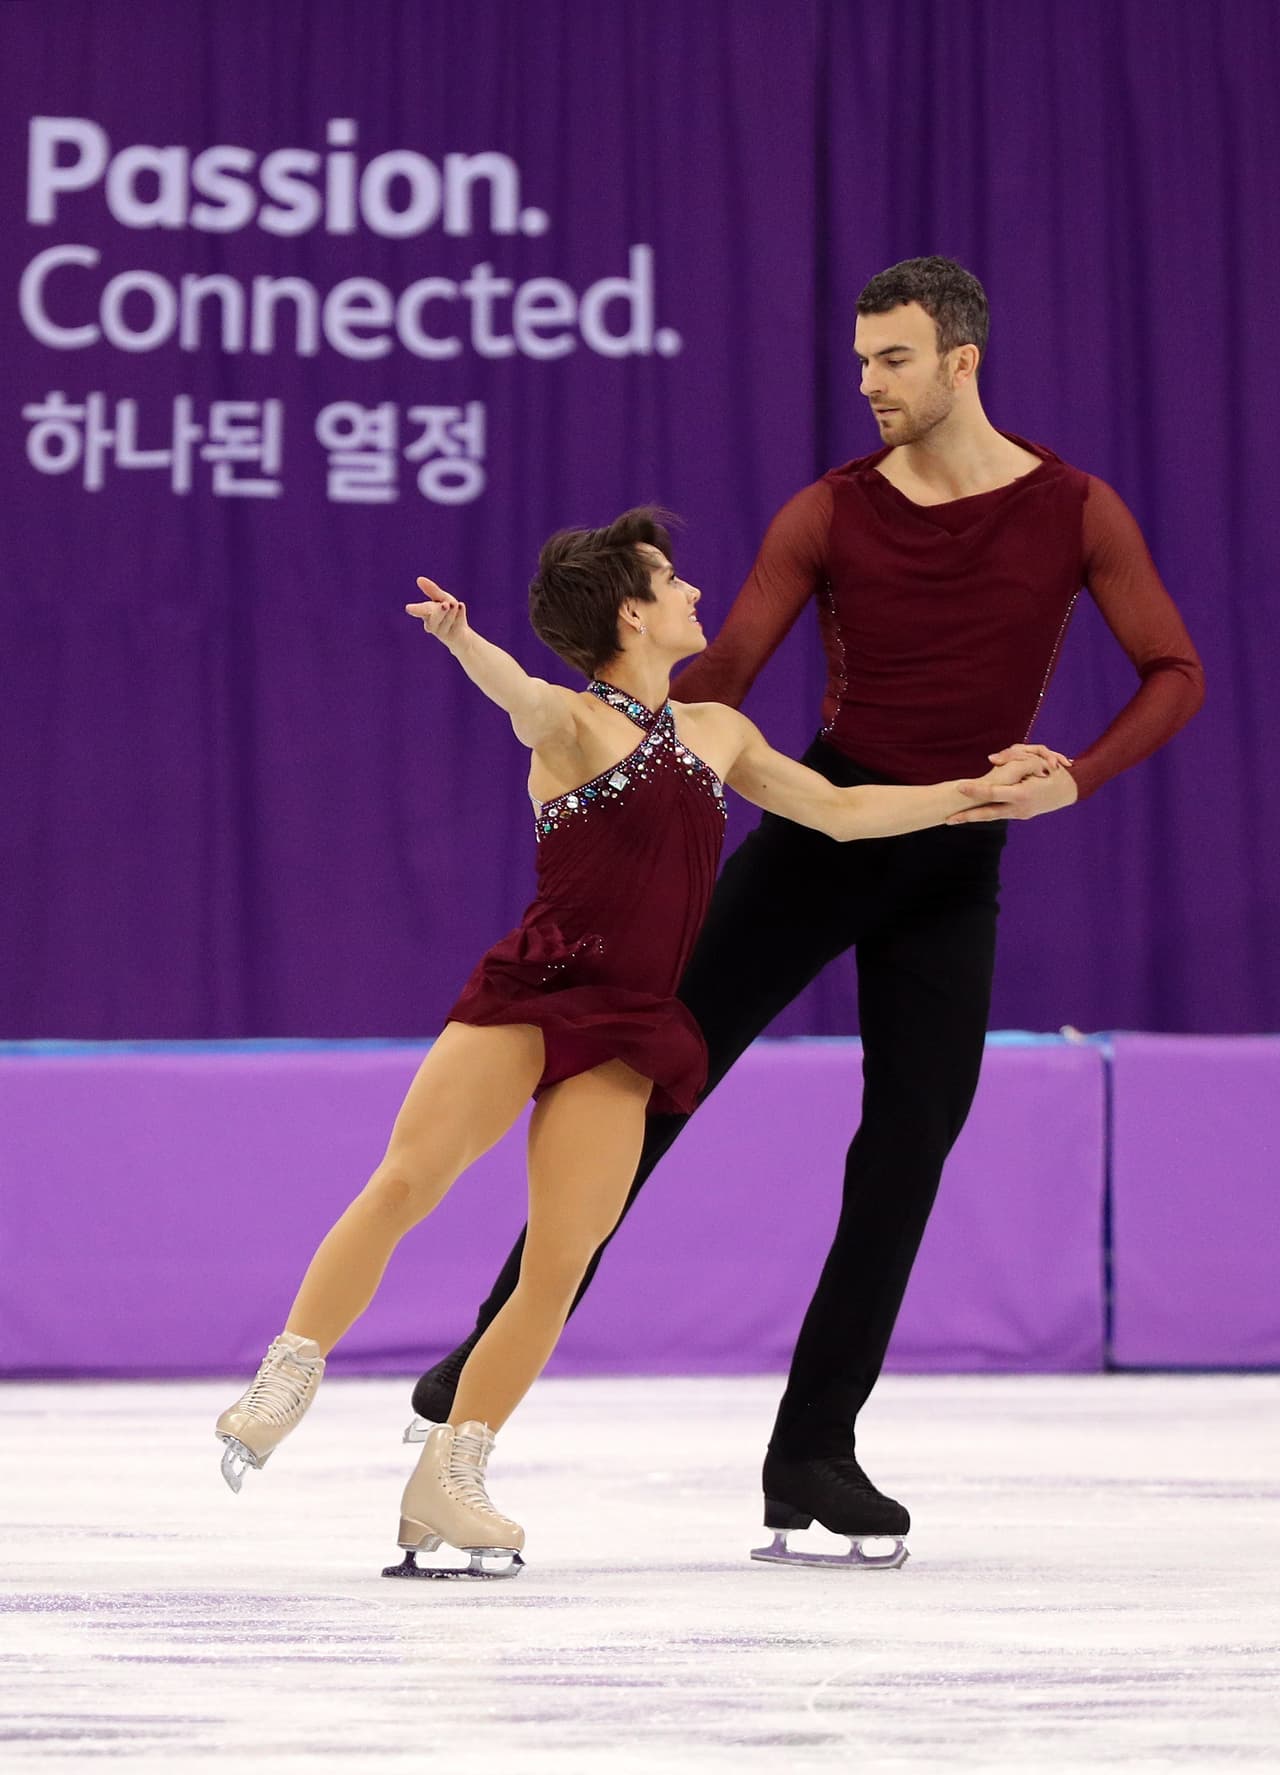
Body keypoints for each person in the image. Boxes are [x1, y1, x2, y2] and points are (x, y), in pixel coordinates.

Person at [407, 257, 1206, 1570]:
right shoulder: (829, 514)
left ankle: (813, 1449)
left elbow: (1173, 668)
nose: (868, 383)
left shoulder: (1074, 509)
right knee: (641, 1087)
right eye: (859, 361)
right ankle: (480, 1357)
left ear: (962, 360)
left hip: (956, 856)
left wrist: (1079, 772)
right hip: (823, 829)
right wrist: (592, 709)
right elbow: (715, 670)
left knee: (908, 1142)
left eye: (892, 358)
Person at [213, 507, 1059, 1578]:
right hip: (532, 997)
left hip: (629, 1027)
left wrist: (970, 796)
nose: (694, 592)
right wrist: (466, 641)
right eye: (673, 579)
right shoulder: (571, 721)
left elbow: (837, 813)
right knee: (407, 1179)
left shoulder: (718, 733)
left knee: (560, 1260)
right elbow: (520, 698)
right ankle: (288, 1373)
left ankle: (450, 1476)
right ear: (631, 610)